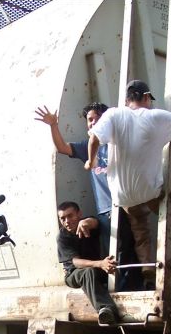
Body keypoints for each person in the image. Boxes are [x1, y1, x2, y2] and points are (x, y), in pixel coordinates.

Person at [88, 79, 171, 287]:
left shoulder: (113, 114)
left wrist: (91, 161)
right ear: (146, 97)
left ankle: (146, 265)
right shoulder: (157, 116)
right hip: (149, 189)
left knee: (140, 227)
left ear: (127, 100)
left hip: (121, 194)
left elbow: (94, 139)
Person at [34, 103, 142, 290]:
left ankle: (136, 286)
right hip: (106, 208)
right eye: (90, 120)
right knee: (117, 250)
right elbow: (62, 148)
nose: (93, 123)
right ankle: (123, 289)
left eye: (97, 118)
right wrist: (53, 125)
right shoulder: (89, 146)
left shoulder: (118, 143)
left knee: (135, 248)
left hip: (127, 202)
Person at [56, 201, 123, 324]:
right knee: (88, 272)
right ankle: (106, 309)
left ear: (79, 214)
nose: (67, 221)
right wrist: (100, 264)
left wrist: (87, 222)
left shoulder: (86, 223)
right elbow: (75, 262)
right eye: (62, 218)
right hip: (74, 274)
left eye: (70, 216)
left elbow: (96, 222)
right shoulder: (63, 236)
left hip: (98, 268)